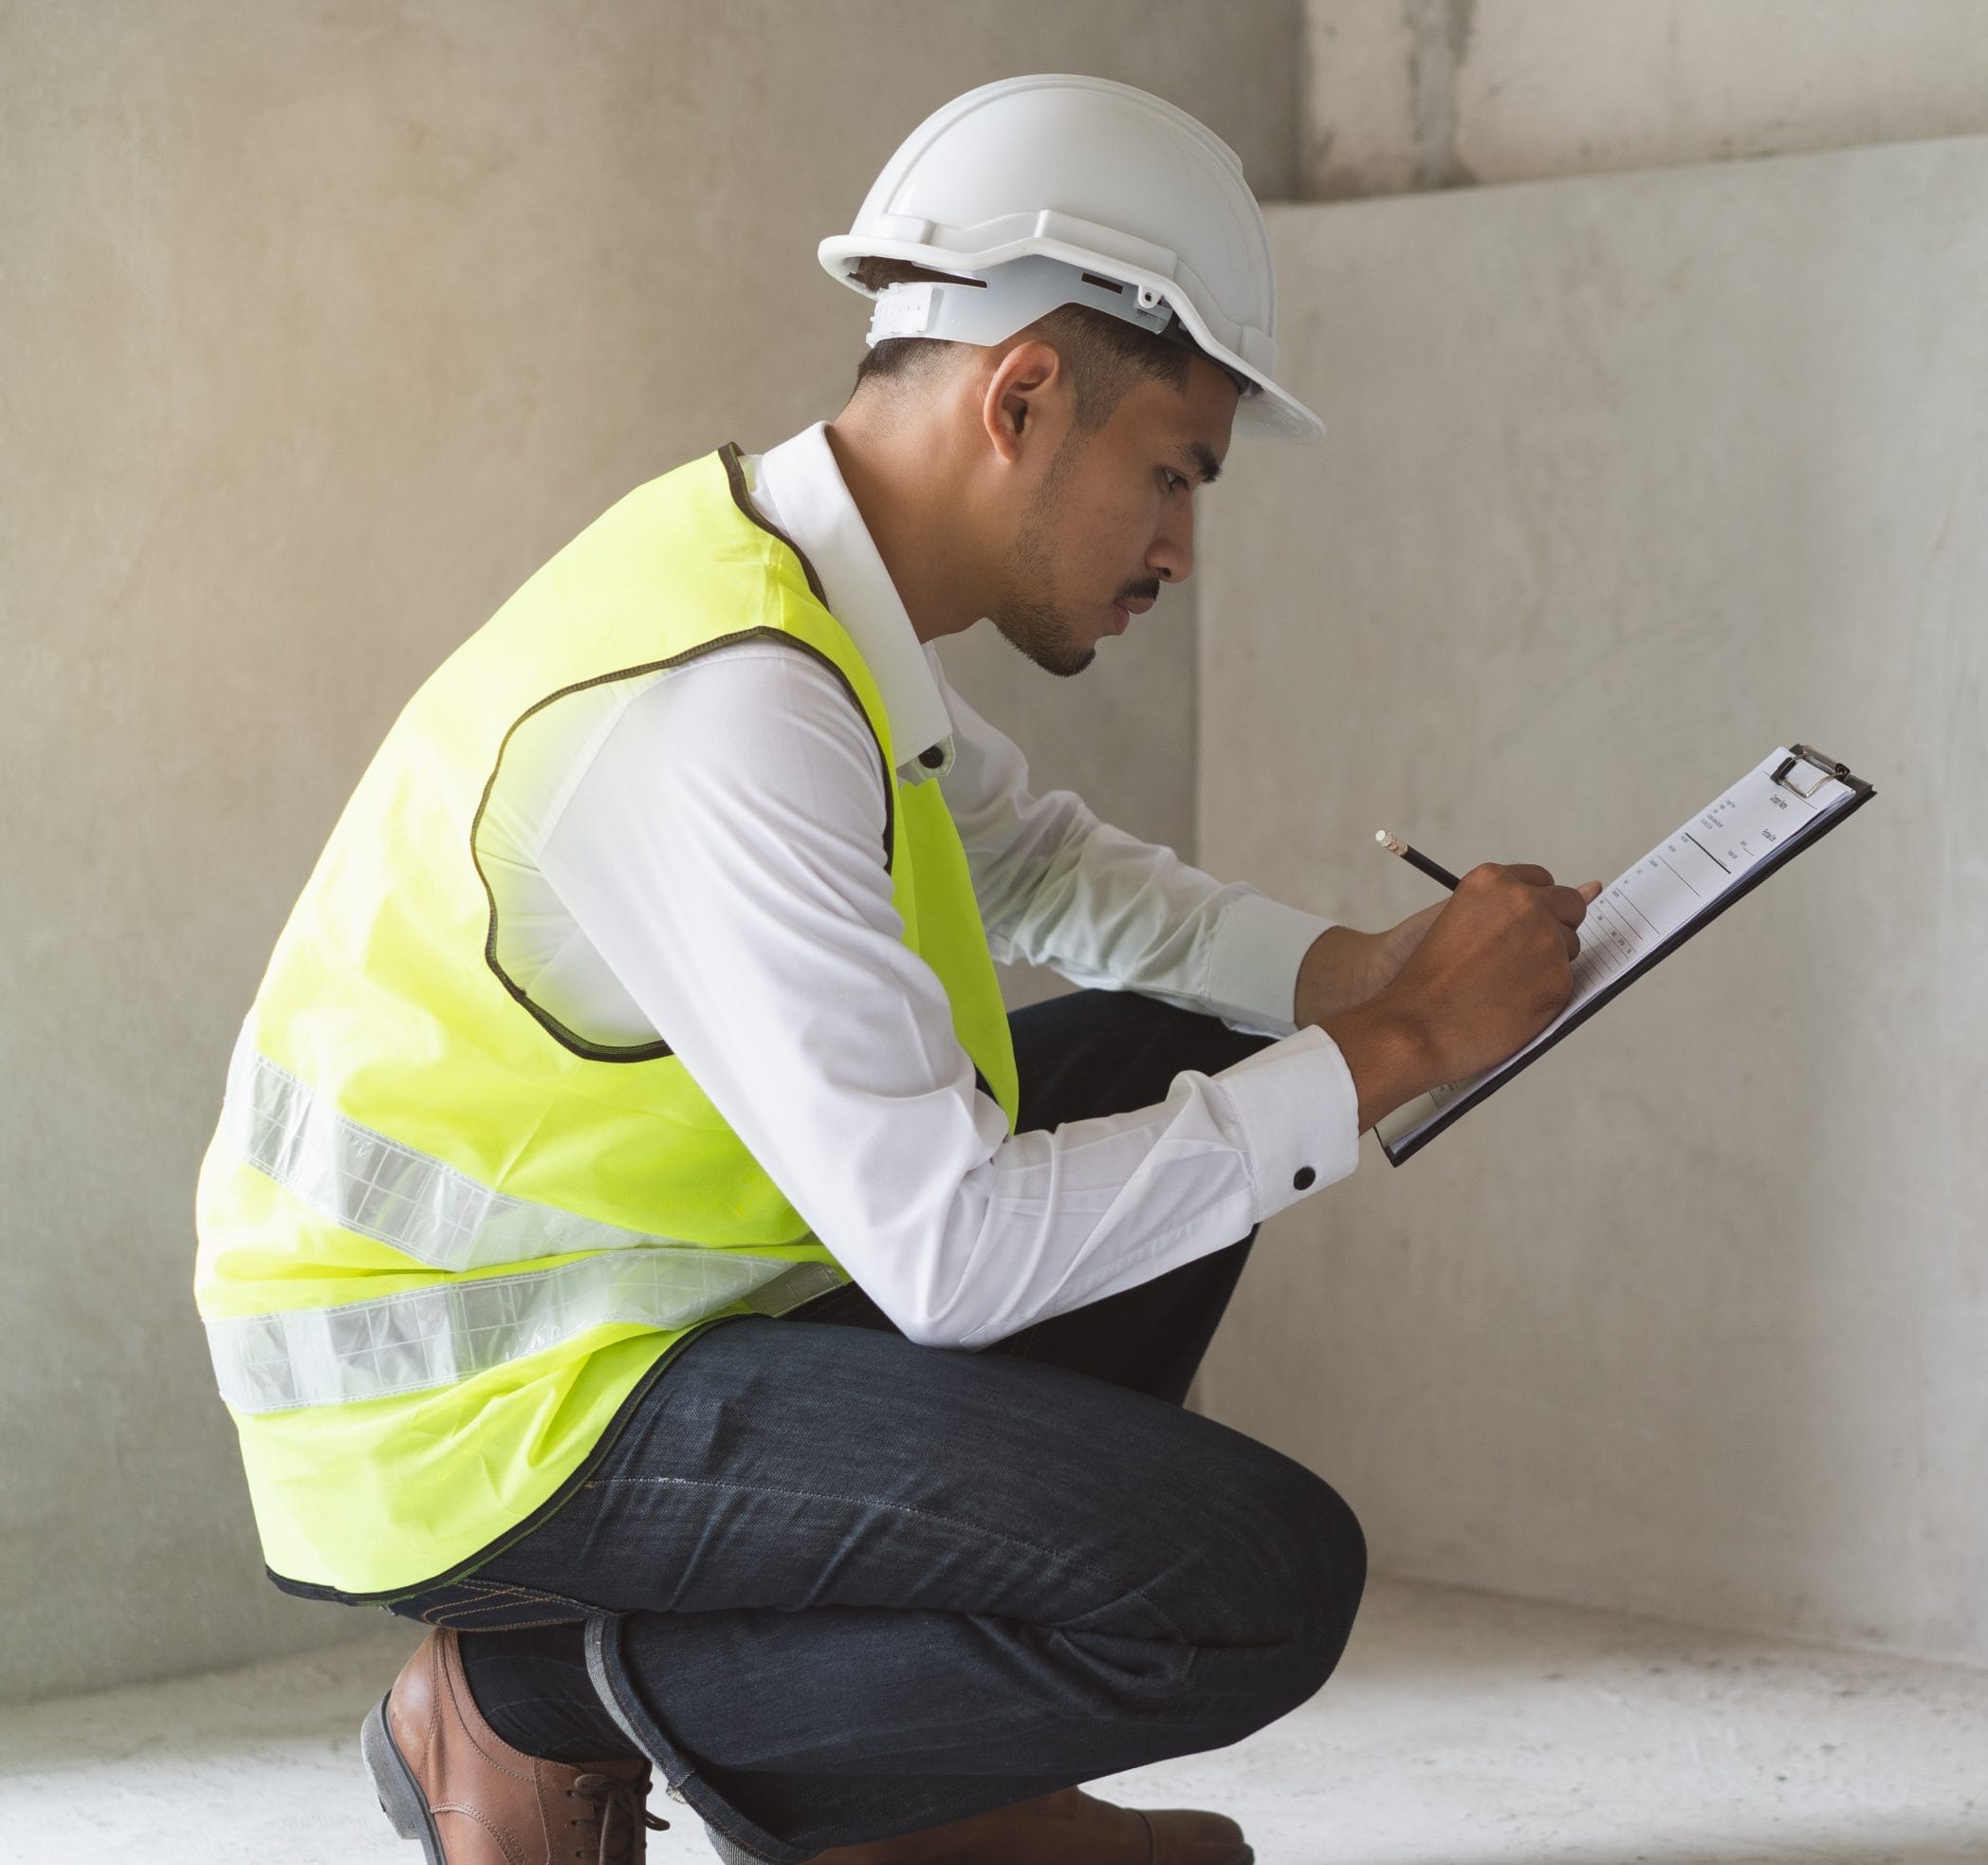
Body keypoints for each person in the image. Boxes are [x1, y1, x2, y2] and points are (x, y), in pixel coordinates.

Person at [192, 75, 1594, 1865]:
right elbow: (951, 1255)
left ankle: (889, 1788)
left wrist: (1338, 971)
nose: (1179, 545)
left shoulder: (795, 586)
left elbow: (1034, 859)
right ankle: (518, 1701)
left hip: (618, 1330)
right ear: (1020, 397)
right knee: (1258, 1575)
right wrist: (1395, 1043)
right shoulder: (725, 705)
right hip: (471, 1412)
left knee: (1181, 1038)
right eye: (1171, 473)